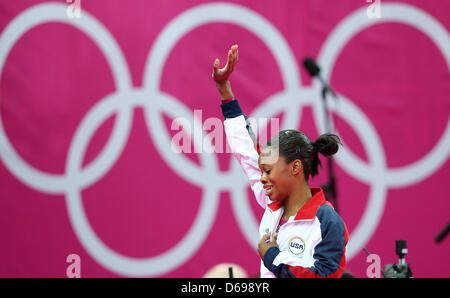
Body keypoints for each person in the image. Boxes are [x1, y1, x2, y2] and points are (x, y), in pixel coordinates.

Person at [212, 45, 349, 278]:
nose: (261, 177)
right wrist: (224, 88)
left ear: (295, 168)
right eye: (261, 171)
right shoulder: (272, 202)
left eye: (268, 171)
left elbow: (323, 276)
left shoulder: (328, 222)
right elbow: (245, 149)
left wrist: (273, 256)